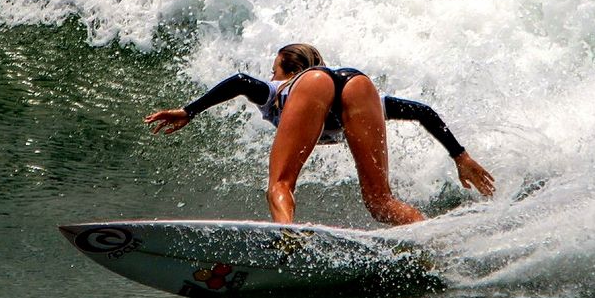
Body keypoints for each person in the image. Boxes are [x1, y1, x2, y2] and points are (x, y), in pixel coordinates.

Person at [144, 44, 494, 226]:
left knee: (280, 184)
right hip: (358, 84)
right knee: (380, 203)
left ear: (287, 71)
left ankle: (286, 235)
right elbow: (422, 111)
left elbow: (239, 82)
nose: (271, 75)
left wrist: (189, 111)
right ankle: (425, 237)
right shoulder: (360, 93)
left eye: (275, 69)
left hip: (316, 84)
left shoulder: (282, 87)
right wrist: (460, 156)